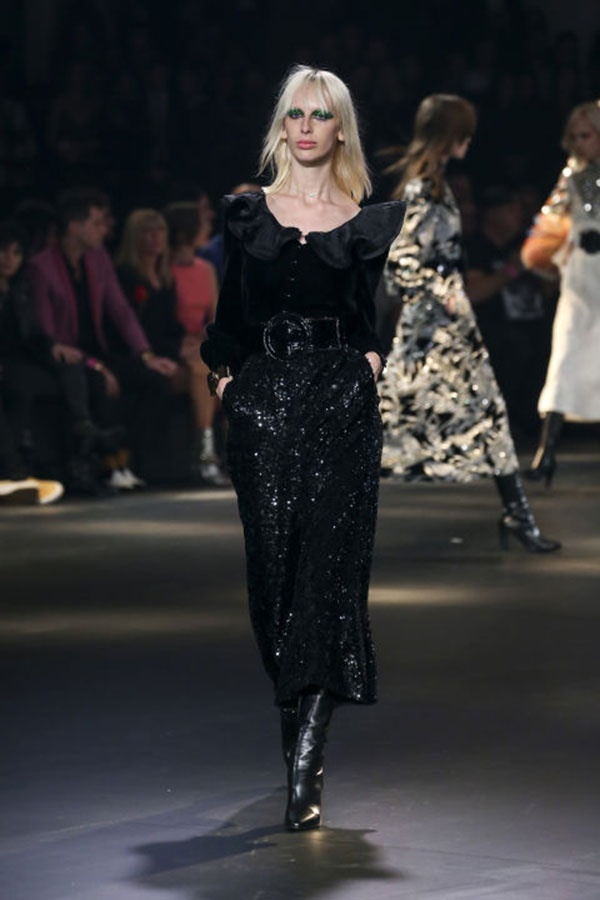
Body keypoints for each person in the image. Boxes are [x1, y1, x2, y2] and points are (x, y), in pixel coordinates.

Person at [200, 65, 405, 831]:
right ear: (282, 127)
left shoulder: (362, 222)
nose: (307, 126)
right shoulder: (247, 215)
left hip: (340, 407)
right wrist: (229, 388)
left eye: (321, 114)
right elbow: (227, 321)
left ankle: (308, 757)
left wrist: (368, 368)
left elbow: (367, 325)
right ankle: (296, 738)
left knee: (328, 575)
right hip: (264, 408)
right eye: (295, 114)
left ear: (340, 128)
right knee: (275, 580)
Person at [377, 94, 560, 554]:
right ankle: (323, 513)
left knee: (485, 415)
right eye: (465, 132)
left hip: (448, 320)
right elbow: (400, 263)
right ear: (452, 134)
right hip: (432, 325)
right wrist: (440, 294)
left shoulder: (433, 184)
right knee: (392, 421)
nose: (470, 141)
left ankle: (517, 515)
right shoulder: (423, 188)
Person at [29, 187, 177, 493]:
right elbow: (46, 331)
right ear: (75, 227)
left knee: (153, 379)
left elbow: (121, 311)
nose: (104, 230)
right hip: (65, 356)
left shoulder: (98, 259)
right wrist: (95, 365)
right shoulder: (42, 267)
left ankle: (130, 460)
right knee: (99, 382)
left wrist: (146, 355)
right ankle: (108, 465)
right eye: (96, 223)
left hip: (97, 350)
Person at [523, 101, 600, 485]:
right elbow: (548, 225)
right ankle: (546, 452)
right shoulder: (570, 176)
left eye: (586, 135)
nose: (580, 143)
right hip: (579, 278)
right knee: (565, 357)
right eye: (575, 136)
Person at [163, 202, 227, 485]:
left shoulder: (205, 268)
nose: (208, 227)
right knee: (204, 370)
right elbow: (161, 320)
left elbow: (215, 317)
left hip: (202, 344)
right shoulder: (164, 269)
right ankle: (205, 455)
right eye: (202, 222)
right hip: (175, 348)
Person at [0, 220, 64, 505]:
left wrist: (53, 346)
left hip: (14, 365)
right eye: (3, 251)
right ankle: (14, 471)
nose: (8, 259)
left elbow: (32, 335)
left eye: (16, 253)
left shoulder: (19, 292)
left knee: (32, 383)